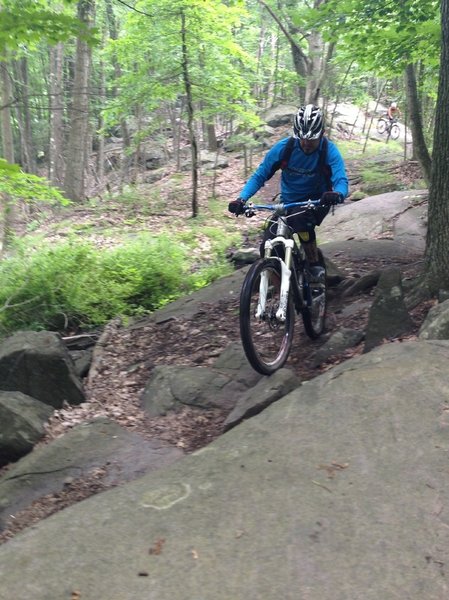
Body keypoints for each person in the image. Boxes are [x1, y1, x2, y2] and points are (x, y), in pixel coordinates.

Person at [228, 104, 349, 281]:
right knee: (268, 247)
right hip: (287, 203)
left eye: (312, 139)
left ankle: (314, 264)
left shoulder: (329, 151)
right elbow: (260, 175)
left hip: (318, 202)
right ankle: (283, 296)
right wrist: (241, 198)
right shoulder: (284, 148)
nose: (307, 144)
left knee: (301, 220)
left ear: (321, 134)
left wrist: (337, 193)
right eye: (302, 138)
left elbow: (341, 180)